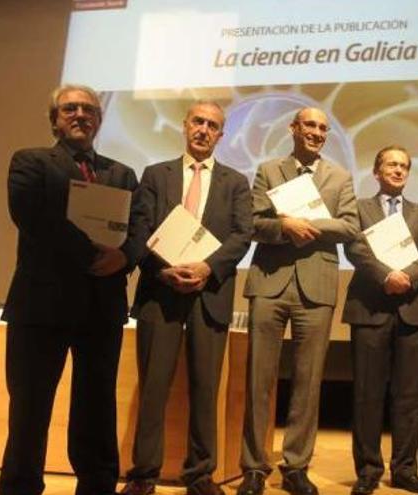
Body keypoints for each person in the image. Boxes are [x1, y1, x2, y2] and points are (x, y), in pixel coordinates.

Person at [0, 84, 141, 495]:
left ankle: (97, 485)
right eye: (70, 108)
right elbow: (32, 217)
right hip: (40, 305)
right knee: (29, 406)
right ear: (55, 120)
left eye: (89, 109)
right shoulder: (31, 162)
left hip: (102, 305)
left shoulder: (121, 174)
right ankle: (20, 486)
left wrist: (124, 256)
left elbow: (140, 227)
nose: (80, 114)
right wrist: (94, 253)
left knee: (96, 406)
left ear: (99, 118)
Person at [121, 101, 252, 495]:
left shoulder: (236, 181)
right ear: (185, 125)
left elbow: (241, 235)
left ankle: (200, 474)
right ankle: (144, 475)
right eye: (198, 121)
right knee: (154, 386)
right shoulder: (155, 175)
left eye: (213, 125)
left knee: (204, 387)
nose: (204, 130)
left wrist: (206, 268)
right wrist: (164, 270)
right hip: (159, 292)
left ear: (221, 134)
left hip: (208, 294)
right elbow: (139, 228)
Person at [238, 107, 359, 495]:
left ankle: (295, 467)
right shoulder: (269, 170)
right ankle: (254, 468)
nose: (317, 132)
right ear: (293, 128)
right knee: (259, 380)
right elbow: (252, 223)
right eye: (310, 125)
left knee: (308, 383)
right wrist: (282, 226)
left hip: (317, 286)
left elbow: (350, 226)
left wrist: (307, 224)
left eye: (323, 128)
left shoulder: (339, 177)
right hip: (270, 282)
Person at [342, 146, 418, 495]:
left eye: (403, 166)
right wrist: (386, 276)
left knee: (409, 396)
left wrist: (408, 277)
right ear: (376, 171)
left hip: (412, 310)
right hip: (369, 309)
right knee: (367, 395)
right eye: (391, 165)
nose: (398, 170)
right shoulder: (359, 207)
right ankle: (368, 471)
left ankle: (404, 470)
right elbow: (354, 248)